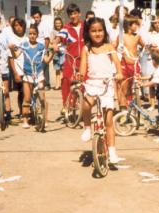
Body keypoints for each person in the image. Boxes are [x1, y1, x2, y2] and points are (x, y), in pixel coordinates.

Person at [79, 17, 124, 163]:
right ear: (88, 32)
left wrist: (119, 73)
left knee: (108, 120)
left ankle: (112, 151)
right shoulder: (86, 48)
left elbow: (117, 63)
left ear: (104, 31)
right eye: (93, 31)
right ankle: (87, 127)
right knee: (86, 104)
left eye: (100, 30)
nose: (97, 34)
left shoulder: (109, 47)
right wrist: (80, 75)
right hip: (92, 83)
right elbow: (83, 66)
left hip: (107, 84)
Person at [14, 24, 53, 129]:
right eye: (30, 34)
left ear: (37, 35)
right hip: (27, 75)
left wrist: (53, 53)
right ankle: (25, 120)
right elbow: (16, 55)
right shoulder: (24, 45)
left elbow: (46, 60)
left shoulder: (41, 46)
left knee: (42, 97)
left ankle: (45, 119)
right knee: (27, 98)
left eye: (34, 34)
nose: (32, 36)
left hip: (38, 74)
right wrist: (12, 49)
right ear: (28, 34)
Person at [58, 4, 84, 114]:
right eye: (70, 14)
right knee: (66, 80)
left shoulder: (85, 26)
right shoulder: (66, 28)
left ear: (79, 14)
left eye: (75, 13)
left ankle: (80, 103)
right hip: (70, 59)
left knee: (84, 81)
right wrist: (55, 45)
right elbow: (57, 39)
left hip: (83, 59)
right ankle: (66, 105)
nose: (73, 16)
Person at [141, 15, 159, 107]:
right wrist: (150, 46)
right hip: (152, 59)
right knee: (152, 80)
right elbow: (145, 46)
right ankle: (152, 104)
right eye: (155, 23)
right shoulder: (149, 34)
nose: (157, 24)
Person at [117, 16, 143, 107]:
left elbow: (144, 45)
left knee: (134, 86)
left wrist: (150, 46)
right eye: (134, 24)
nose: (136, 26)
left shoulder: (137, 36)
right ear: (128, 25)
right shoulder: (121, 36)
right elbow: (113, 46)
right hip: (124, 64)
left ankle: (132, 105)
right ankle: (123, 107)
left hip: (135, 64)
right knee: (124, 86)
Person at [8, 18, 27, 119]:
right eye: (16, 25)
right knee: (21, 92)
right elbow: (11, 58)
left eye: (20, 25)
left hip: (28, 69)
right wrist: (15, 73)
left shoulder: (27, 38)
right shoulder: (12, 40)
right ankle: (21, 111)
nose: (18, 28)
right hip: (18, 70)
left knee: (29, 92)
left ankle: (29, 111)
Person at [31, 8, 51, 90]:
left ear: (40, 17)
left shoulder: (44, 25)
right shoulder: (33, 26)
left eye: (37, 17)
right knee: (36, 67)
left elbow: (47, 39)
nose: (36, 19)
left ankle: (47, 84)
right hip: (35, 48)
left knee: (45, 66)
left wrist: (45, 50)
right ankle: (37, 83)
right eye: (34, 17)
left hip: (43, 49)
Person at [51, 17, 64, 90]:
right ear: (54, 24)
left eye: (59, 23)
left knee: (63, 68)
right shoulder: (53, 32)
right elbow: (51, 41)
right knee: (57, 68)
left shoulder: (64, 31)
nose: (58, 24)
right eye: (56, 23)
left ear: (61, 23)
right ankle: (57, 84)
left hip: (63, 51)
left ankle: (63, 84)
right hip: (56, 52)